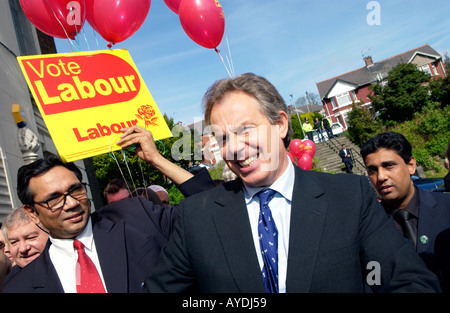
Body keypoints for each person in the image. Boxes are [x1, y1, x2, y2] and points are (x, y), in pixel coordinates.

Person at [144, 73, 440, 293]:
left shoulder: (350, 197)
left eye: (245, 130)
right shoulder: (197, 217)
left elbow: (410, 282)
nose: (234, 148)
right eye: (223, 138)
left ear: (281, 124)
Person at [2, 126, 216, 293]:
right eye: (54, 199)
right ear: (31, 211)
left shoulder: (136, 217)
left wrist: (156, 160)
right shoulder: (19, 286)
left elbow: (212, 210)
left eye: (76, 190)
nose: (72, 203)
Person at [360, 131, 450, 291]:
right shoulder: (367, 230)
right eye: (372, 170)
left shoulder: (446, 206)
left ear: (411, 165)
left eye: (389, 166)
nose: (381, 177)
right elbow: (372, 282)